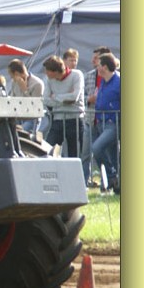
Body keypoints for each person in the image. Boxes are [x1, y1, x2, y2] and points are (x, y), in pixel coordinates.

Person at [42, 54, 85, 158]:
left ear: (56, 72)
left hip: (75, 119)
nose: (45, 73)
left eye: (47, 71)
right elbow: (46, 100)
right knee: (48, 149)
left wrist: (55, 96)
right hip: (58, 119)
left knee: (74, 153)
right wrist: (65, 99)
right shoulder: (48, 80)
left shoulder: (77, 75)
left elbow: (74, 97)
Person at [82, 46, 112, 185]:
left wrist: (100, 99)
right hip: (90, 120)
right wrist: (89, 99)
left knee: (105, 152)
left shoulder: (114, 78)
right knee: (86, 154)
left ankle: (109, 181)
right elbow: (82, 97)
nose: (93, 61)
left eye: (96, 58)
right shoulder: (88, 76)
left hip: (107, 121)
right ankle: (83, 182)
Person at [91, 53, 121, 193]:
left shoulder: (119, 82)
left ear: (104, 67)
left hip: (113, 123)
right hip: (101, 122)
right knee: (112, 155)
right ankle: (117, 185)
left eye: (98, 65)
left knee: (97, 148)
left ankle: (111, 174)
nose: (96, 68)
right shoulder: (103, 81)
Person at [7, 58, 44, 136]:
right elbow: (12, 99)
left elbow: (34, 105)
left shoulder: (37, 84)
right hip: (18, 117)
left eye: (12, 76)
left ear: (16, 73)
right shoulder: (14, 82)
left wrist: (25, 90)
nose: (12, 78)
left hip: (31, 118)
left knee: (21, 135)